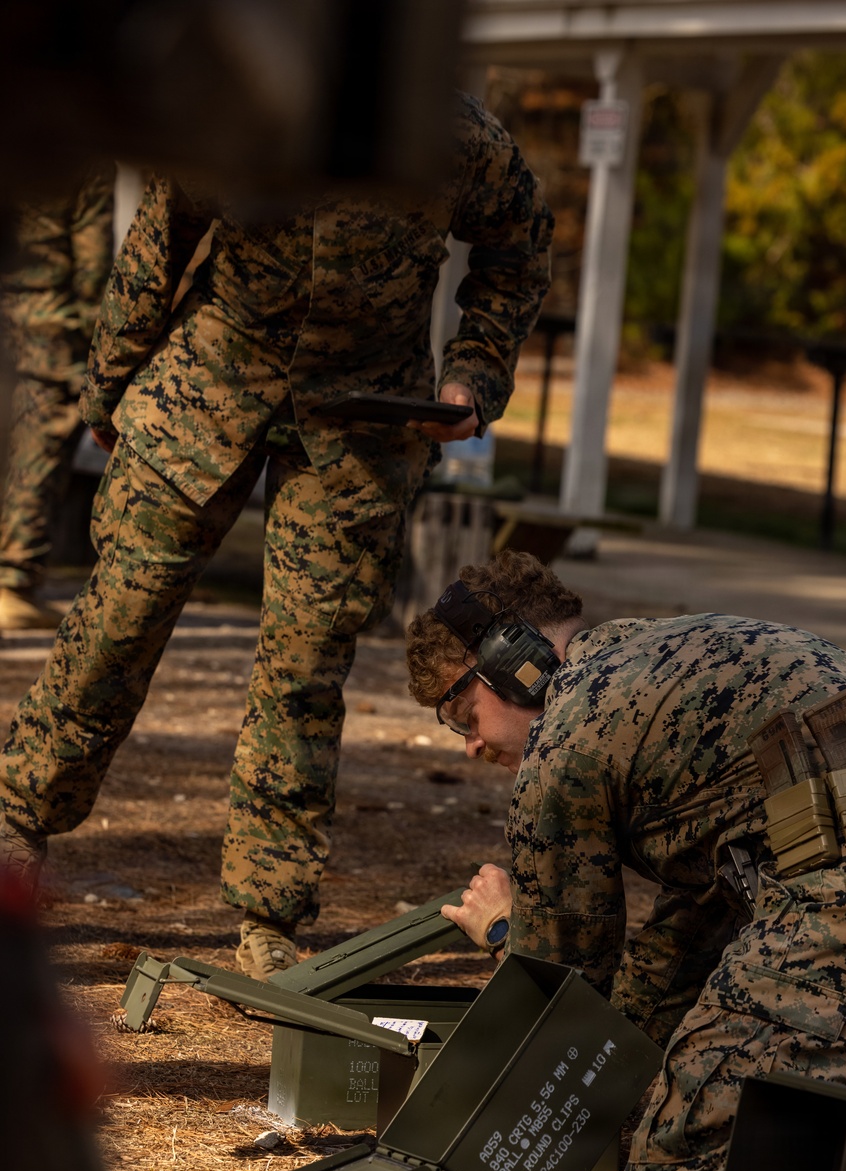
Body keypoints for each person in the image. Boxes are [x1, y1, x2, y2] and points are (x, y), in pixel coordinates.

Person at [0, 95, 553, 980]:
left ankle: (268, 912)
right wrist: (109, 384)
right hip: (207, 381)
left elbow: (518, 247)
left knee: (305, 668)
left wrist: (472, 379)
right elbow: (159, 241)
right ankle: (18, 817)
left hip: (363, 416)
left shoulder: (452, 136)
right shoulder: (239, 104)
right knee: (117, 622)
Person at [404, 550, 846, 1171]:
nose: (469, 743)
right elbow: (690, 933)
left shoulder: (565, 740)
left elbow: (560, 995)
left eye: (461, 712)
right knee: (777, 1117)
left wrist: (507, 928)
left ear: (514, 664)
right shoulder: (675, 654)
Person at [0, 168, 114, 629]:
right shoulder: (80, 155)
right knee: (37, 450)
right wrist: (99, 343)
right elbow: (93, 263)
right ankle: (10, 583)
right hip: (47, 326)